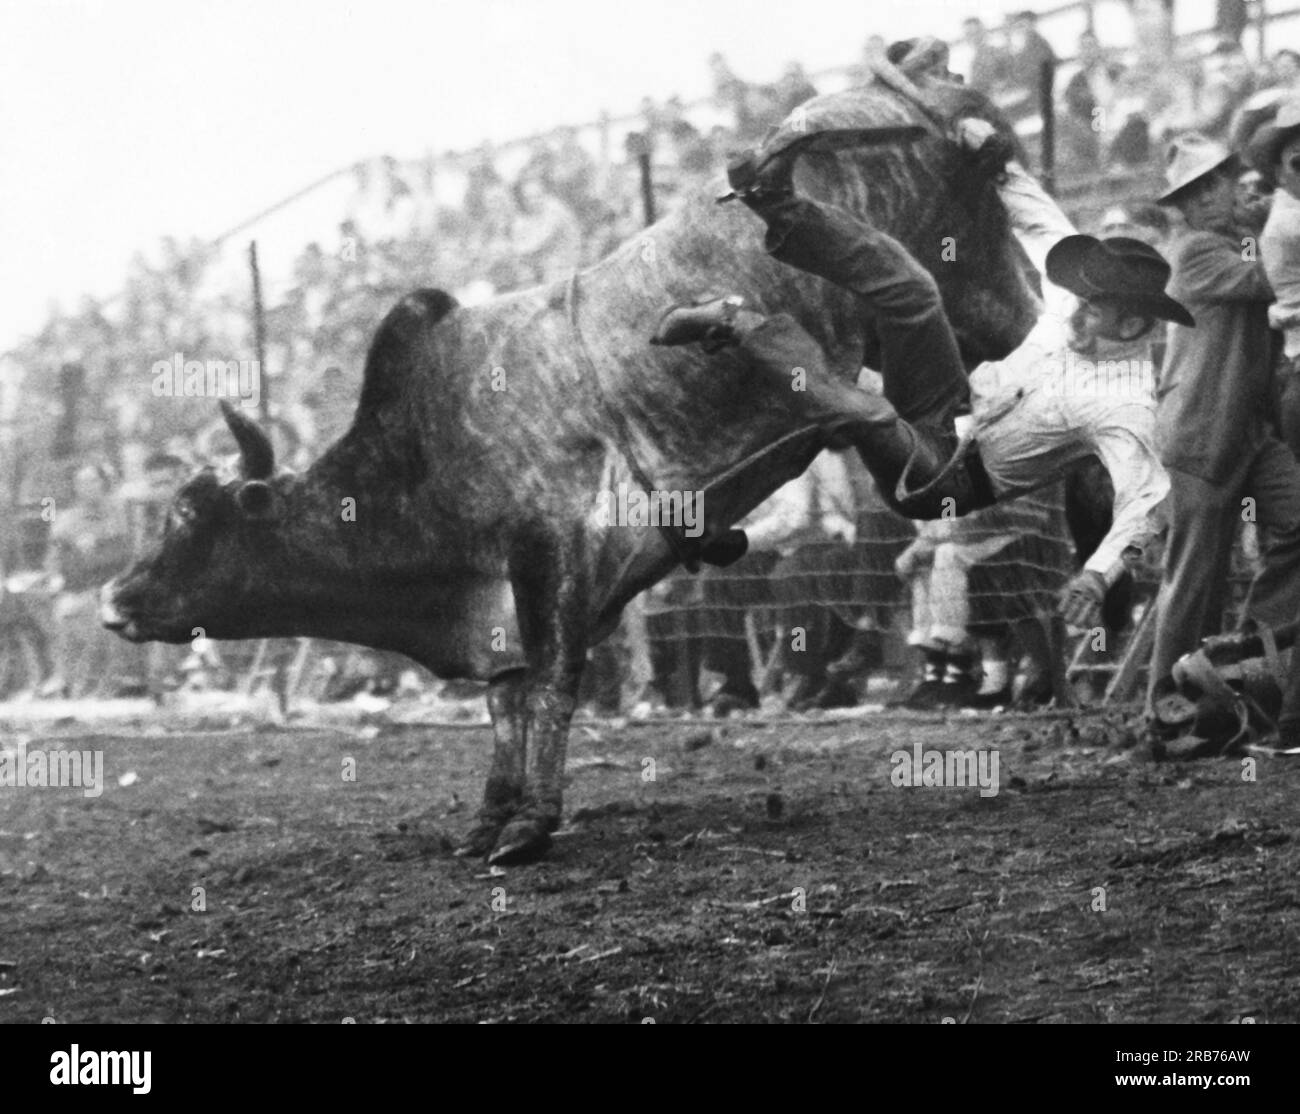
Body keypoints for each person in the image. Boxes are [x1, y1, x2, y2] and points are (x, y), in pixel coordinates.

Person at [651, 108, 1185, 638]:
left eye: (1096, 311)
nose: (1079, 312)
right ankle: (777, 203)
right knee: (911, 289)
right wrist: (995, 158)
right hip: (949, 401)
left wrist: (1096, 576)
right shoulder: (1075, 300)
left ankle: (736, 324)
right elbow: (1040, 218)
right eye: (1083, 300)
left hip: (945, 478)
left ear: (1133, 324)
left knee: (864, 409)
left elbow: (1145, 503)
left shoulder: (1126, 404)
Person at [1148, 133, 1300, 746]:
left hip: (1250, 435)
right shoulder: (1192, 252)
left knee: (1296, 524)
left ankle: (1235, 662)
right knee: (1192, 580)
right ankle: (1167, 716)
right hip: (1201, 436)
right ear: (1181, 204)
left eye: (1217, 182)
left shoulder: (1232, 239)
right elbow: (1273, 278)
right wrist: (1279, 217)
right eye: (1198, 189)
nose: (1212, 195)